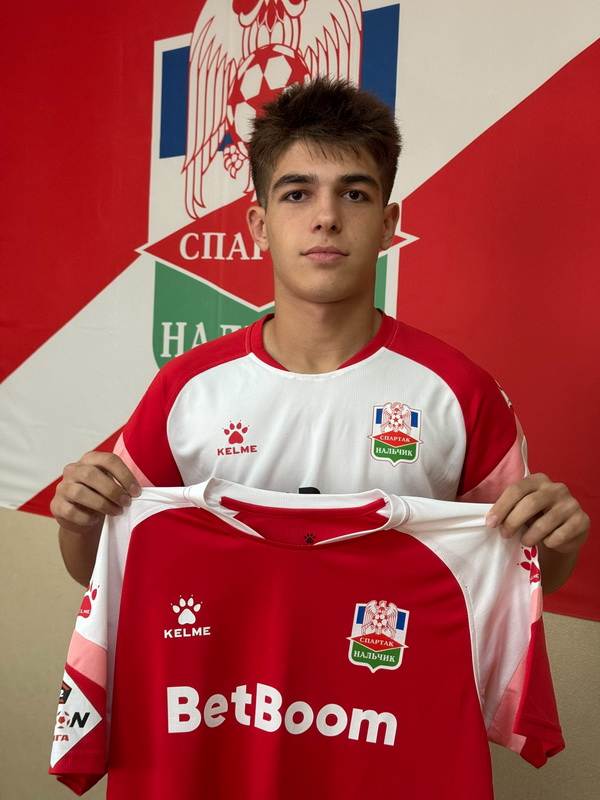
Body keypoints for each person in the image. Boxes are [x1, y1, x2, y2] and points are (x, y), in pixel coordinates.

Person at [50, 76, 588, 591]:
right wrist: (79, 520)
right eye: (297, 194)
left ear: (387, 225)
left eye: (353, 194)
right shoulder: (185, 388)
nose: (326, 217)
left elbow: (526, 572)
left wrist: (558, 541)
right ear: (260, 226)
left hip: (389, 658)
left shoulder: (461, 392)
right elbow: (96, 566)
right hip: (226, 663)